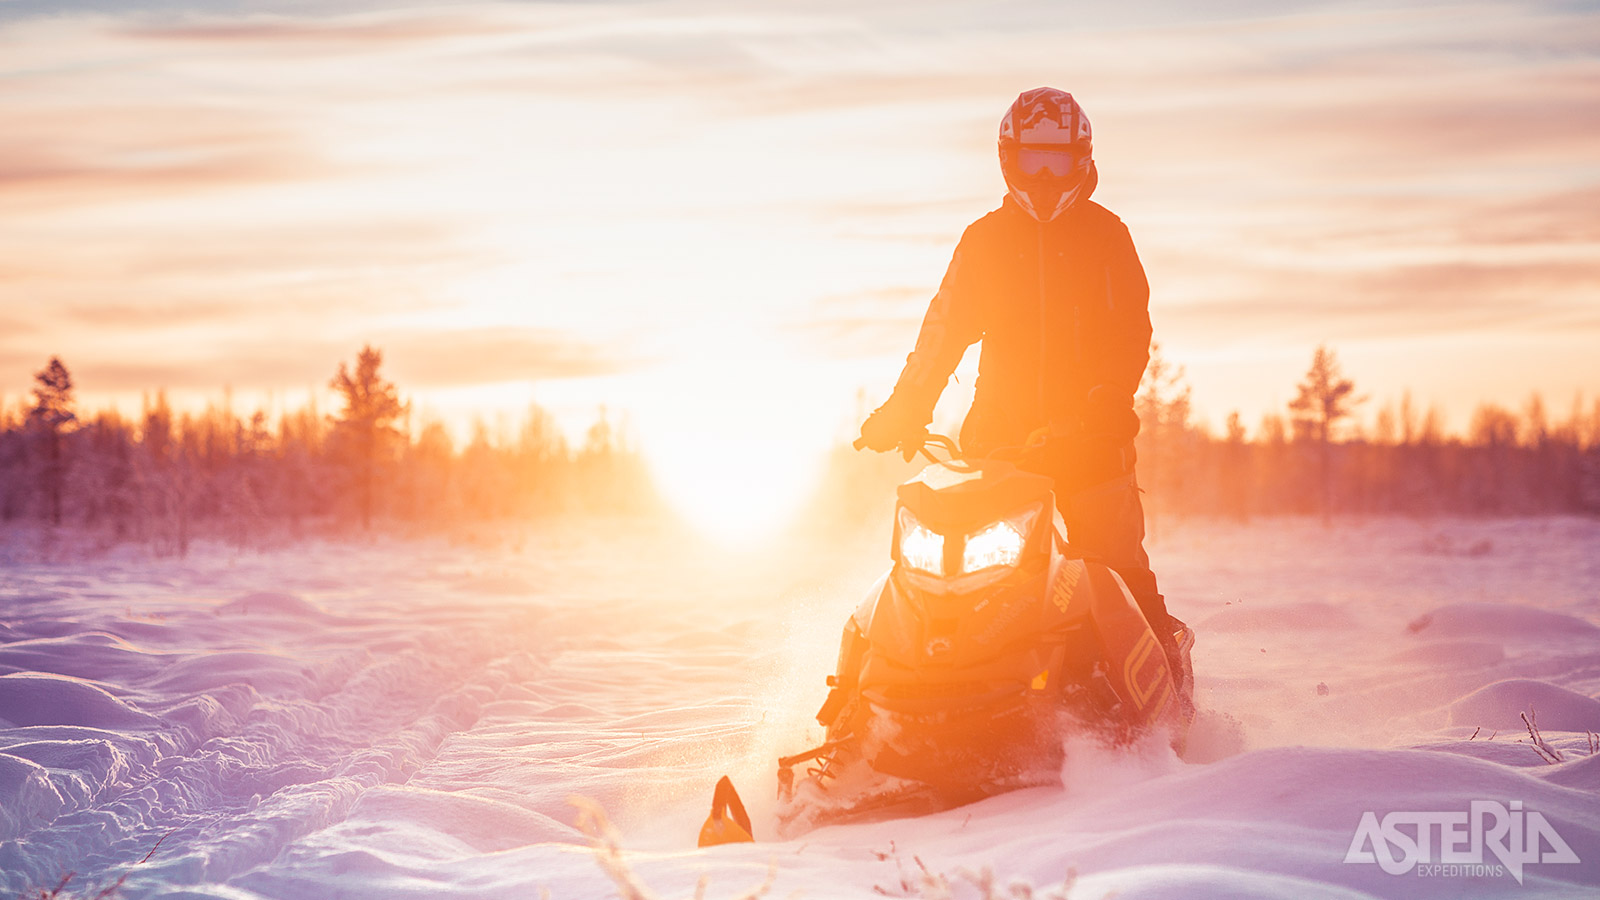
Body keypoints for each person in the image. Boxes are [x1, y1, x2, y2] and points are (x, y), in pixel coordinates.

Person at [856, 86, 1184, 665]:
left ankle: (1164, 678)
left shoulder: (1107, 236)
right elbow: (942, 333)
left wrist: (1108, 402)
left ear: (1081, 161)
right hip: (1000, 440)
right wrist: (905, 409)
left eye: (1057, 160)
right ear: (1008, 160)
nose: (1045, 176)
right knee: (963, 563)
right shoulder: (985, 241)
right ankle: (940, 675)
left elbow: (1129, 332)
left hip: (1092, 438)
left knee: (1116, 567)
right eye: (1032, 160)